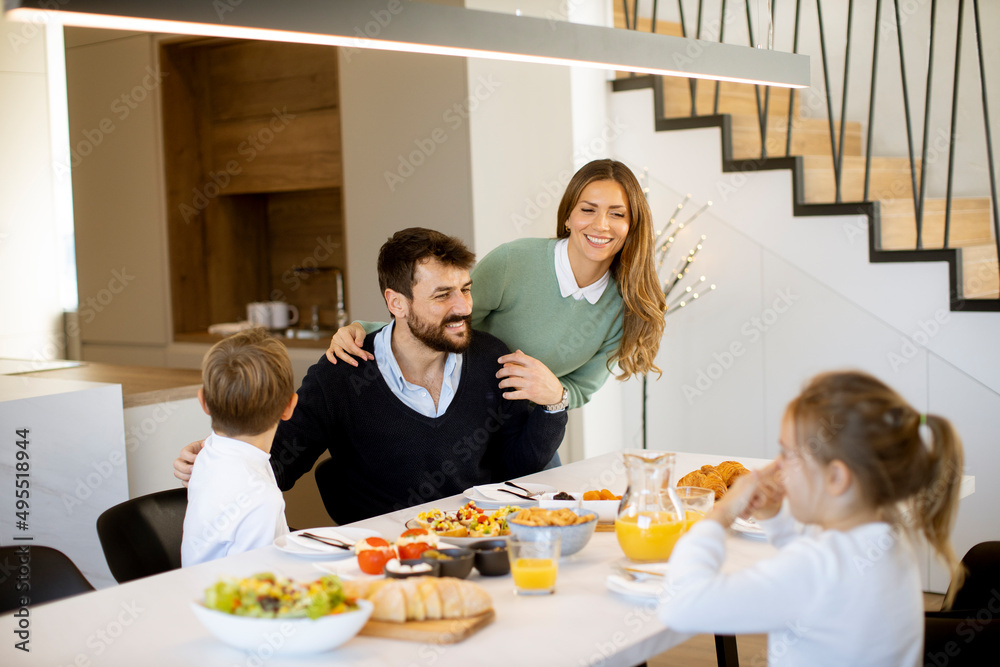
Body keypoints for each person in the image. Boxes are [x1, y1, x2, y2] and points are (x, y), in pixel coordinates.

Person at [174, 228, 567, 525]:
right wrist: (225, 454)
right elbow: (280, 463)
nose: (463, 306)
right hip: (382, 555)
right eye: (442, 294)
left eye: (465, 289)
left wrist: (554, 404)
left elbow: (518, 471)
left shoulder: (491, 358)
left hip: (476, 538)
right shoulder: (343, 373)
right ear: (396, 302)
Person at [326, 159, 666, 443]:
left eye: (617, 214)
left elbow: (579, 389)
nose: (601, 224)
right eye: (588, 209)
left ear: (632, 224)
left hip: (525, 433)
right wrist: (364, 329)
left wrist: (555, 394)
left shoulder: (626, 305)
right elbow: (446, 316)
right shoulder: (514, 262)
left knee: (552, 516)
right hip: (462, 418)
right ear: (568, 216)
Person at [659, 371, 965, 666]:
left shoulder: (818, 570)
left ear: (835, 477)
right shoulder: (889, 536)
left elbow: (680, 606)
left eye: (787, 454)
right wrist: (776, 517)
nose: (777, 466)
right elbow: (812, 568)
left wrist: (719, 513)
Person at [181, 328, 298, 566]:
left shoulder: (209, 452)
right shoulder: (263, 499)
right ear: (289, 406)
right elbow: (257, 589)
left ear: (203, 402)